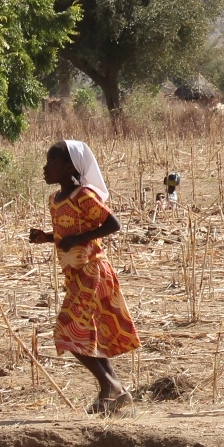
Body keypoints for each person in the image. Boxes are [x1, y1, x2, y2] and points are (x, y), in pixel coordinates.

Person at [28, 140, 142, 415]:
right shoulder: (56, 200)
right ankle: (116, 391)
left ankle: (109, 386)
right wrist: (47, 238)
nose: (46, 168)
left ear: (70, 166)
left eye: (52, 163)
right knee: (92, 333)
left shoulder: (84, 195)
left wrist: (79, 239)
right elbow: (68, 233)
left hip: (93, 271)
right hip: (75, 273)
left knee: (68, 329)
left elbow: (112, 224)